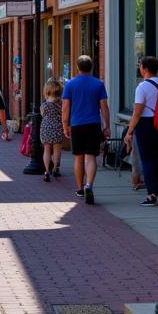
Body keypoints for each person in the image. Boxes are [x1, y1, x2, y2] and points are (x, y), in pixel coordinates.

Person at [61, 55, 111, 205]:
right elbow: (104, 107)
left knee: (78, 157)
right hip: (93, 124)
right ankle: (89, 185)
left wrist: (65, 125)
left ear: (77, 67)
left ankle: (80, 188)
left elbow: (65, 108)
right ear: (91, 67)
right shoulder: (98, 84)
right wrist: (106, 125)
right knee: (90, 157)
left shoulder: (70, 84)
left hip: (76, 124)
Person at [123, 56, 158, 207]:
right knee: (154, 158)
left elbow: (137, 112)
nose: (139, 68)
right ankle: (155, 190)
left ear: (144, 68)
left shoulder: (142, 87)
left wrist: (129, 131)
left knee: (147, 160)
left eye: (140, 65)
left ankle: (151, 195)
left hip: (146, 125)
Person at [39, 78, 65, 182]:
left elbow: (42, 114)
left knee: (46, 149)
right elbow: (64, 114)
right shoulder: (61, 103)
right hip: (57, 126)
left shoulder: (44, 104)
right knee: (57, 149)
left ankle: (46, 171)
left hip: (46, 127)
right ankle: (56, 168)